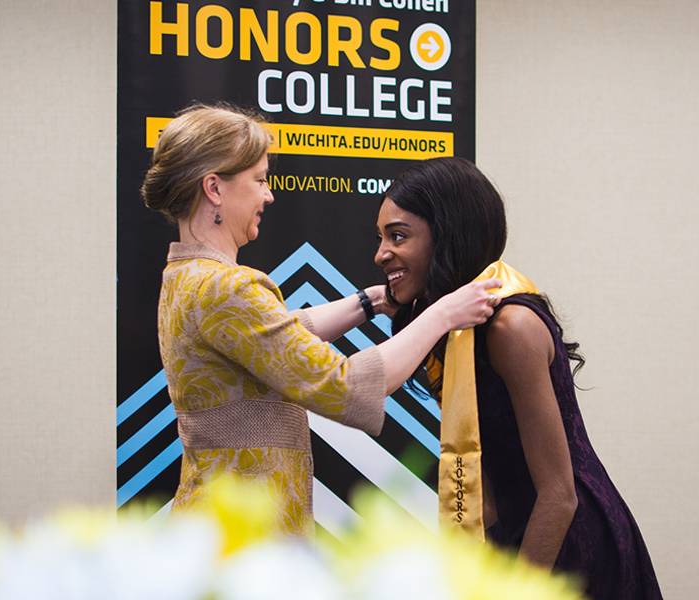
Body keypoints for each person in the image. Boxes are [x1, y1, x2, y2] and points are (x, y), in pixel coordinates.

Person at [139, 104, 501, 536]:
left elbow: (279, 341)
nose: (268, 195)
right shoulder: (227, 288)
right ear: (214, 188)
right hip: (245, 535)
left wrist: (370, 302)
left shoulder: (185, 276)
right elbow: (343, 387)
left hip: (218, 523)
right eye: (259, 180)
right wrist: (444, 313)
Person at [374, 156, 661, 599]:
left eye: (398, 236)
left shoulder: (510, 328)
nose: (380, 254)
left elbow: (558, 495)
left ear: (448, 234)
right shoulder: (451, 326)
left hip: (564, 550)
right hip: (514, 538)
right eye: (381, 238)